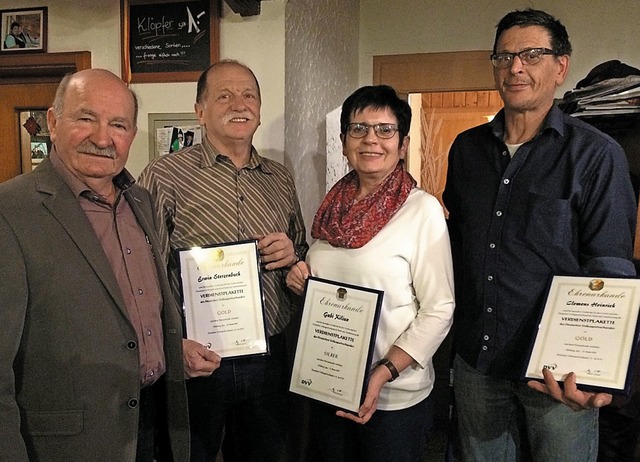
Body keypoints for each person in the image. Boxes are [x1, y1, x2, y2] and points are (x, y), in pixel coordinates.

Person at [442, 9, 636, 462]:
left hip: (557, 370)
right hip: (478, 361)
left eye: (532, 54)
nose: (516, 67)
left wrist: (598, 372)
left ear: (560, 66)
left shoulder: (597, 155)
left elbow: (609, 267)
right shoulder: (466, 149)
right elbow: (456, 241)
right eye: (504, 56)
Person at [0, 69, 190, 462]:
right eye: (86, 118)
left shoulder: (141, 201)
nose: (103, 138)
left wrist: (171, 348)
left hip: (155, 424)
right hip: (69, 445)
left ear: (132, 135)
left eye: (118, 124)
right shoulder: (9, 211)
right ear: (53, 122)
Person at [138, 59, 308, 462]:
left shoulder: (280, 177)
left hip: (269, 356)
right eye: (225, 95)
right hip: (197, 359)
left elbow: (301, 250)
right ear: (200, 110)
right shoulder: (164, 176)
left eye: (249, 95)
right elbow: (144, 274)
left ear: (260, 109)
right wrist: (171, 345)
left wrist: (292, 255)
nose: (240, 104)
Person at [286, 84, 456, 461]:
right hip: (329, 382)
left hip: (392, 397)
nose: (371, 140)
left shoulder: (421, 211)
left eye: (385, 129)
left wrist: (382, 373)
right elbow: (339, 283)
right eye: (358, 129)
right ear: (345, 141)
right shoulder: (333, 205)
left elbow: (439, 308)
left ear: (403, 144)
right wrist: (303, 279)